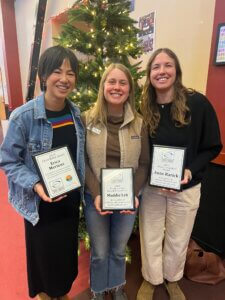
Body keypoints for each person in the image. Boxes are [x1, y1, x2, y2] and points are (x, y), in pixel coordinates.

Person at [0, 45, 85, 300]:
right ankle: (45, 294)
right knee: (42, 253)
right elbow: (8, 161)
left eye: (70, 73)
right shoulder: (23, 117)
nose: (64, 79)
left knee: (65, 251)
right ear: (44, 76)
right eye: (57, 72)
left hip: (69, 199)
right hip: (39, 201)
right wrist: (36, 184)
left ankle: (61, 291)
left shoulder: (76, 113)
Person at [137, 48, 222, 300]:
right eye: (156, 67)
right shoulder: (144, 107)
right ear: (149, 73)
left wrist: (189, 170)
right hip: (152, 187)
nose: (162, 71)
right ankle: (151, 279)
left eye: (168, 65)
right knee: (150, 235)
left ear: (177, 70)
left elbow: (212, 146)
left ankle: (173, 279)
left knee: (178, 238)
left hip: (186, 186)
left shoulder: (197, 103)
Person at [82, 63, 149, 300]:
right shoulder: (86, 120)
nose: (117, 87)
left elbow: (143, 163)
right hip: (95, 198)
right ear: (103, 86)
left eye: (123, 83)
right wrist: (96, 192)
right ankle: (99, 289)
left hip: (127, 198)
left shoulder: (139, 124)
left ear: (130, 90)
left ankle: (117, 285)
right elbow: (84, 162)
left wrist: (133, 191)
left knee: (119, 250)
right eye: (112, 82)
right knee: (100, 251)